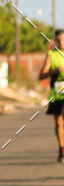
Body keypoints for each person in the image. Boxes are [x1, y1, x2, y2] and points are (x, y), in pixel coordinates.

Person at [39, 29, 64, 162]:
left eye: (63, 40)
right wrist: (55, 71)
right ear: (55, 41)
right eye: (59, 41)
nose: (61, 43)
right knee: (59, 122)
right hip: (57, 94)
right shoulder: (51, 55)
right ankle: (62, 149)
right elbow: (41, 76)